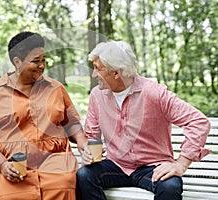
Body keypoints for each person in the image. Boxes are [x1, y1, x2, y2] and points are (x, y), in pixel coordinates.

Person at [76, 40, 211, 200]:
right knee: (84, 175)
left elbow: (198, 122)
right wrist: (87, 152)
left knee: (170, 186)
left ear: (116, 73)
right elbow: (91, 135)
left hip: (153, 167)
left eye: (98, 69)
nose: (94, 74)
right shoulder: (97, 95)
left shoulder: (155, 93)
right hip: (116, 165)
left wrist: (180, 164)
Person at [0, 31, 87, 200]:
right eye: (36, 61)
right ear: (17, 62)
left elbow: (72, 123)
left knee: (63, 186)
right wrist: (1, 165)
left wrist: (82, 141)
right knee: (9, 195)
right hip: (11, 164)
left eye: (44, 60)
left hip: (54, 162)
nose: (41, 65)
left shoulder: (56, 88)